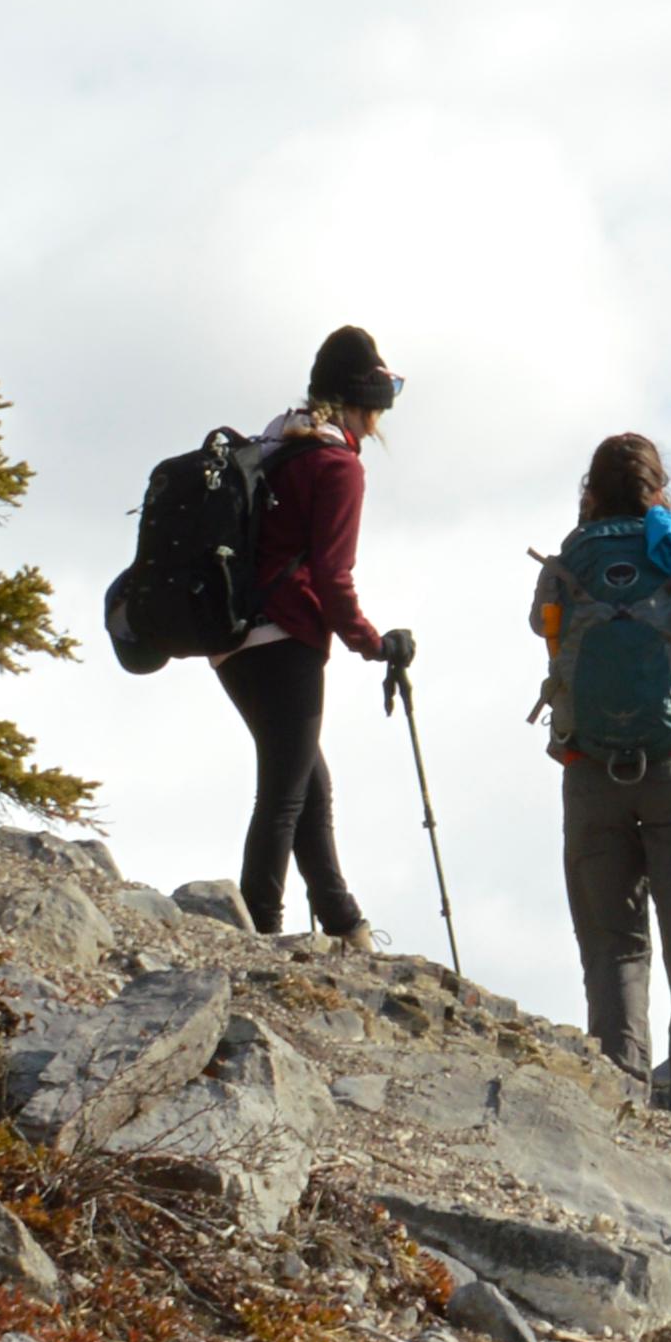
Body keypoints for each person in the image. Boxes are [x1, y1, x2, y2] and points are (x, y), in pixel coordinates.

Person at [533, 428, 671, 1108]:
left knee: (614, 949)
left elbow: (544, 632)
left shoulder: (564, 564)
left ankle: (621, 1099)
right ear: (661, 493)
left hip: (590, 772)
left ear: (589, 494)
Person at [218, 325, 415, 945]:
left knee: (306, 783)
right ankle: (261, 934)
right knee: (283, 793)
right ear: (366, 405)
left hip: (229, 639)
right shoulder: (336, 467)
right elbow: (333, 576)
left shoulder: (276, 445)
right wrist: (372, 641)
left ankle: (342, 921)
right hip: (284, 635)